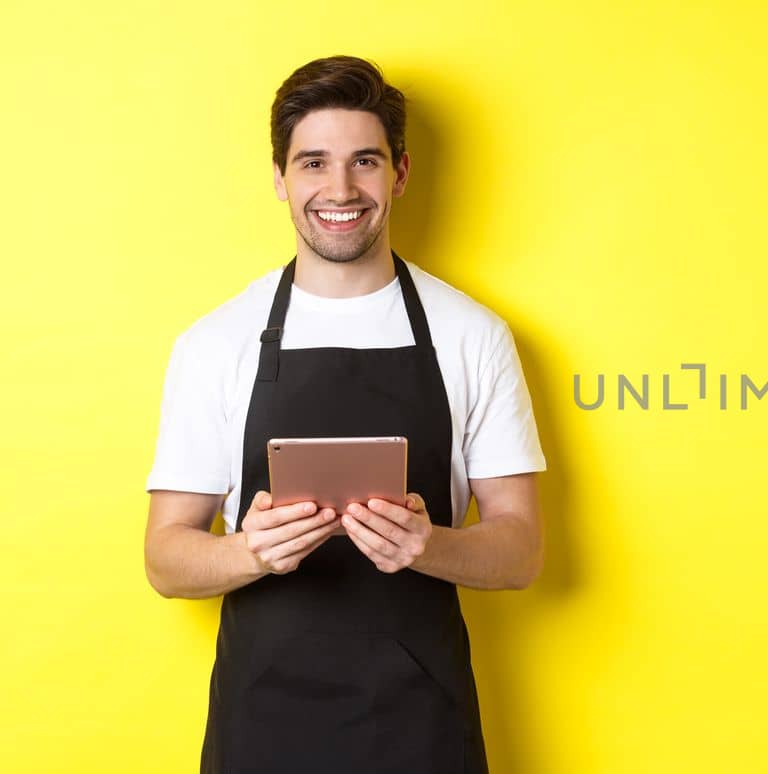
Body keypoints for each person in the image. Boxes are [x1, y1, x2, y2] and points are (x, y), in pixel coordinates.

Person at [142, 55, 546, 773]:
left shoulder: (472, 334)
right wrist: (250, 551)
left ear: (401, 173)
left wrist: (430, 545)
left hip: (422, 723)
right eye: (313, 163)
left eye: (364, 160)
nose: (339, 189)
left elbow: (521, 548)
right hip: (261, 724)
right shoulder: (215, 343)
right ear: (279, 178)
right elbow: (166, 558)